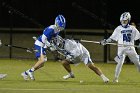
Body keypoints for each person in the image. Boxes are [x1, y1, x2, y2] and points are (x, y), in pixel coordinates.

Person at [21, 15, 66, 80]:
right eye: (60, 26)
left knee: (42, 64)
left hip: (43, 44)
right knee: (42, 60)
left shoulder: (57, 29)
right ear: (56, 23)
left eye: (62, 26)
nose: (61, 28)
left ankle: (26, 73)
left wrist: (57, 43)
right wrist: (50, 46)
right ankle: (30, 72)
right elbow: (43, 38)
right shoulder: (52, 29)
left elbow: (54, 37)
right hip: (40, 44)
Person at [100, 12, 140, 83]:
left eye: (125, 21)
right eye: (122, 21)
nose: (124, 22)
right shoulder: (118, 28)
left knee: (138, 63)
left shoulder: (132, 28)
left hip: (130, 48)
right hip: (121, 49)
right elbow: (112, 38)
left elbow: (138, 37)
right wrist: (105, 41)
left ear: (128, 20)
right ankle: (115, 79)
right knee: (120, 63)